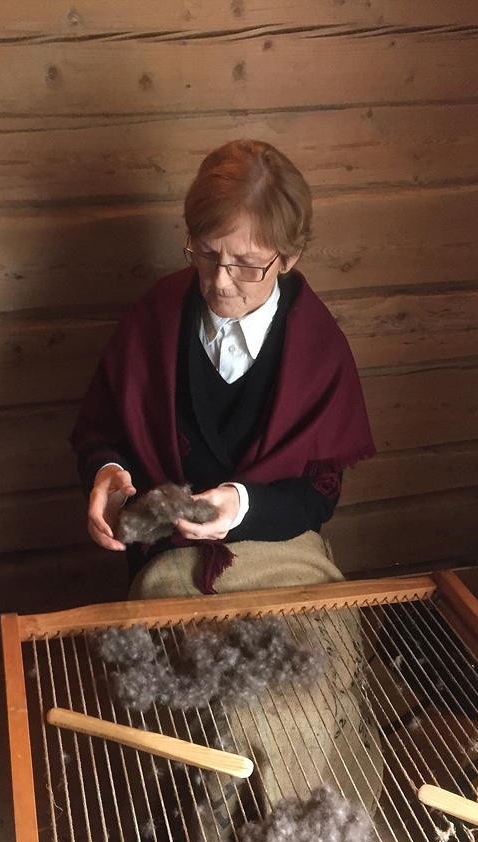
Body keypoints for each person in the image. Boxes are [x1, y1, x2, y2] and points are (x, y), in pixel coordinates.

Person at [70, 138, 375, 597]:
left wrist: (242, 504)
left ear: (288, 258)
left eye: (247, 265)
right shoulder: (154, 318)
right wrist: (106, 473)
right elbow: (102, 433)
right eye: (207, 254)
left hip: (281, 545)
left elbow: (319, 494)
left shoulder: (317, 348)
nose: (220, 282)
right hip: (167, 551)